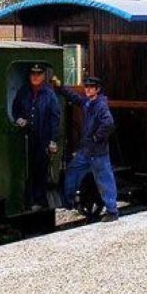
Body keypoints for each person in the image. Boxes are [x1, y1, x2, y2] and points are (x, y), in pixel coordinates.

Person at [52, 76, 119, 223]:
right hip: (87, 150)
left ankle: (112, 211)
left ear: (97, 89)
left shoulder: (100, 105)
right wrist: (60, 86)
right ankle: (68, 201)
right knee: (72, 171)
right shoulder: (89, 102)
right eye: (86, 87)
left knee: (104, 180)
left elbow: (108, 123)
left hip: (98, 152)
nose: (87, 89)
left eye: (90, 87)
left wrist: (96, 138)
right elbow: (75, 98)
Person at [11, 64, 61, 211]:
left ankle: (40, 201)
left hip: (43, 137)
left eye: (38, 74)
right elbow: (15, 108)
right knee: (27, 169)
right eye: (33, 73)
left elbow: (55, 118)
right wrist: (18, 118)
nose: (35, 76)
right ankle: (27, 200)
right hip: (26, 136)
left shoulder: (49, 94)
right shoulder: (24, 91)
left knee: (40, 169)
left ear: (43, 76)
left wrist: (53, 140)